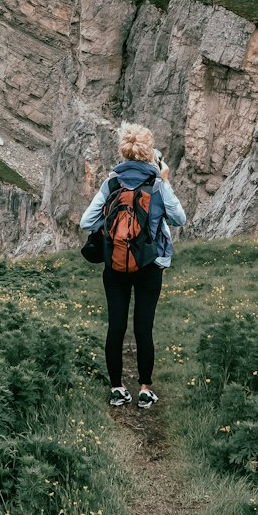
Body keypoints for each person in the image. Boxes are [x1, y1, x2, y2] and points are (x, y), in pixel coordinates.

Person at [79, 121, 186, 410]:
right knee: (143, 327)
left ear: (124, 152)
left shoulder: (112, 182)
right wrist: (165, 182)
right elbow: (180, 219)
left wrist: (113, 227)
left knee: (116, 326)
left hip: (115, 265)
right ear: (149, 153)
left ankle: (116, 389)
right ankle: (145, 389)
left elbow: (86, 222)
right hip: (149, 265)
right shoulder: (157, 185)